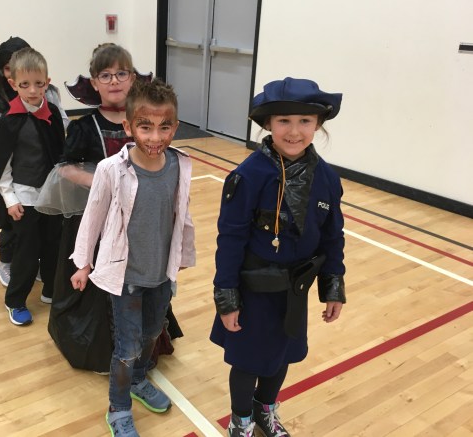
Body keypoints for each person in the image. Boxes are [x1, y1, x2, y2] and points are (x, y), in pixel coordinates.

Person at [210, 77, 346, 437]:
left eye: (305, 121)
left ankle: (264, 409)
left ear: (318, 125)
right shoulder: (248, 176)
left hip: (295, 288)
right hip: (253, 288)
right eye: (284, 120)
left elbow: (333, 237)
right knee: (248, 359)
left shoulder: (327, 179)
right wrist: (227, 296)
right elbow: (230, 239)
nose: (294, 131)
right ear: (268, 124)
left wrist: (333, 286)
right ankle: (241, 419)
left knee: (282, 354)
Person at [36, 43, 182, 373]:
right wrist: (106, 183)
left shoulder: (145, 121)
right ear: (94, 82)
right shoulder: (84, 126)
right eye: (105, 75)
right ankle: (109, 352)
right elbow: (65, 168)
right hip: (100, 218)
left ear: (133, 78)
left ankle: (145, 341)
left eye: (121, 73)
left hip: (140, 221)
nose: (114, 81)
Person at [69, 78, 195, 437]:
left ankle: (139, 379)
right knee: (126, 347)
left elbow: (181, 213)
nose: (155, 137)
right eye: (145, 127)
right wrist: (83, 263)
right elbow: (93, 216)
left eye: (164, 127)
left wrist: (183, 253)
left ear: (175, 127)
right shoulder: (111, 169)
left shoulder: (179, 165)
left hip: (161, 273)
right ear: (128, 126)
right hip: (125, 277)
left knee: (152, 332)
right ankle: (118, 407)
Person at [0, 36, 67, 289]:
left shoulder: (48, 94)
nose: (32, 89)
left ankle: (38, 265)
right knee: (12, 223)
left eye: (38, 83)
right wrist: (19, 115)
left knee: (44, 228)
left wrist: (42, 115)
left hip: (43, 164)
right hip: (11, 167)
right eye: (7, 67)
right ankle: (7, 262)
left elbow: (62, 121)